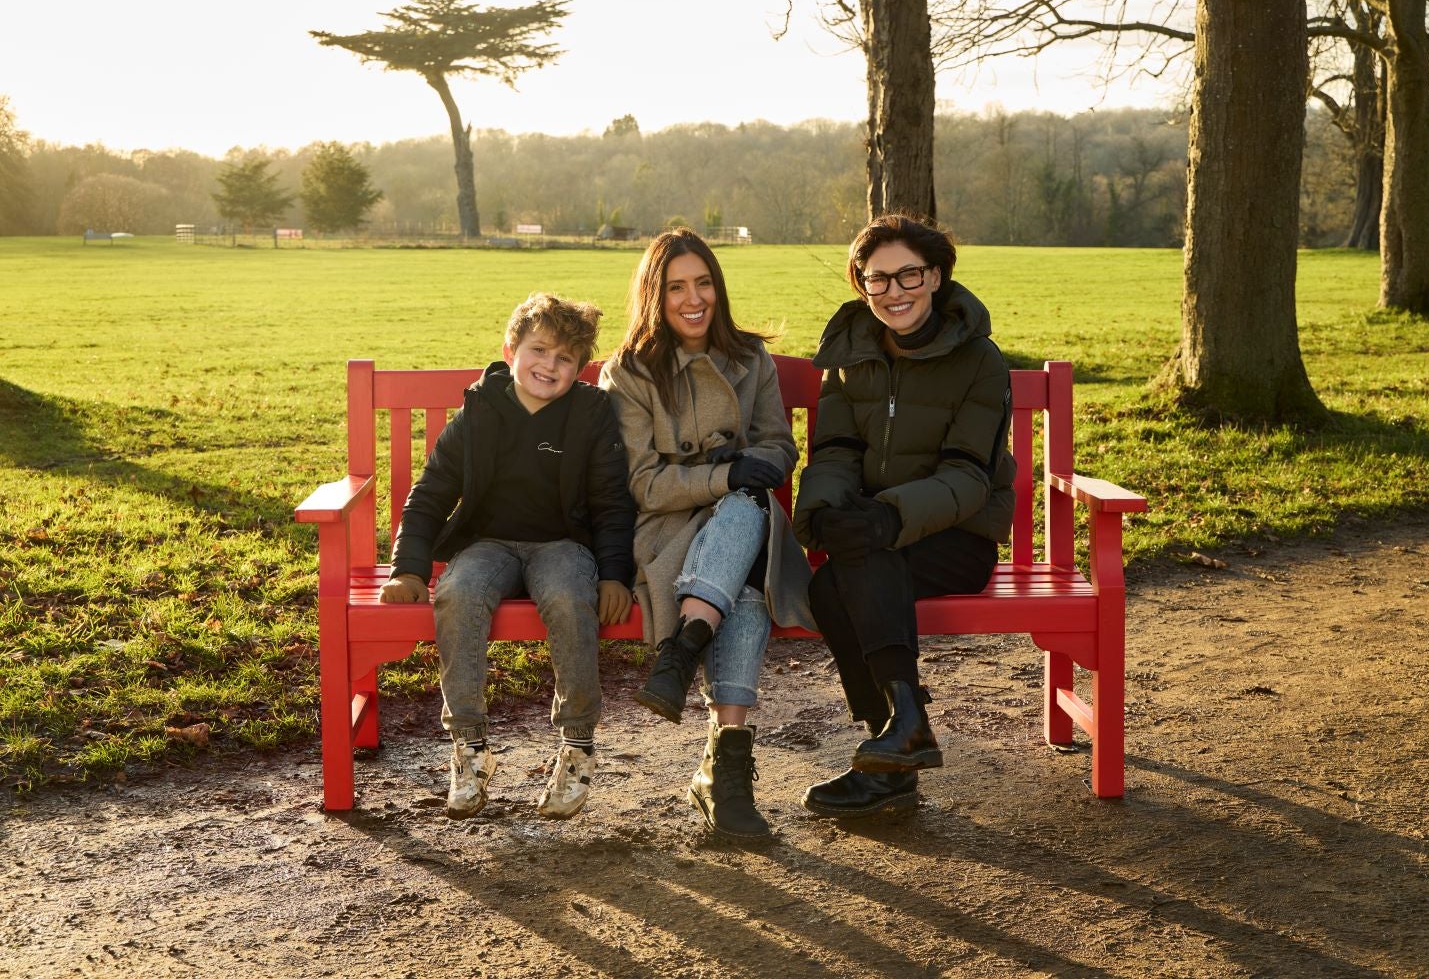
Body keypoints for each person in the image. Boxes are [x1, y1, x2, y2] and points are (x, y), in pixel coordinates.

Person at [379, 293, 636, 822]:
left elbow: (613, 504)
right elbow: (430, 493)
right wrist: (408, 568)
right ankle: (469, 748)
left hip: (563, 547)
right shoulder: (480, 412)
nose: (549, 365)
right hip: (488, 545)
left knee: (569, 597)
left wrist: (614, 575)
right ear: (510, 350)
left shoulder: (591, 416)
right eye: (539, 350)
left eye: (565, 358)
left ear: (580, 368)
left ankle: (578, 745)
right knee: (457, 591)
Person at [792, 213, 1015, 819]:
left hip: (957, 537)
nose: (894, 292)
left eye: (908, 275)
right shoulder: (850, 357)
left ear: (936, 275)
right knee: (833, 581)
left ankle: (897, 747)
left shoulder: (980, 361)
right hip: (874, 534)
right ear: (861, 286)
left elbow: (970, 476)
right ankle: (899, 738)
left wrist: (888, 518)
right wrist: (825, 509)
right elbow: (835, 452)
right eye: (877, 280)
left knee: (848, 574)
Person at [599, 228, 815, 842]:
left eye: (703, 284)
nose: (692, 299)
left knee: (746, 517)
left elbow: (778, 441)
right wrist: (725, 474)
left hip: (736, 524)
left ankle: (683, 658)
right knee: (743, 551)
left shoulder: (751, 359)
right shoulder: (632, 373)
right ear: (654, 295)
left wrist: (765, 463)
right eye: (675, 288)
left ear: (718, 288)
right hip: (668, 533)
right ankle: (727, 776)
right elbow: (643, 483)